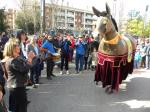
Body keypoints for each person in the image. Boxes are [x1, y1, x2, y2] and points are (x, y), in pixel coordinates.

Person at [2, 38, 35, 112]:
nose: (19, 47)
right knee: (21, 108)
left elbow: (26, 65)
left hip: (18, 86)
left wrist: (29, 60)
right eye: (17, 46)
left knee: (18, 107)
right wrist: (30, 59)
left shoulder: (17, 58)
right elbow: (24, 69)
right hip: (16, 88)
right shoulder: (12, 61)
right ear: (12, 48)